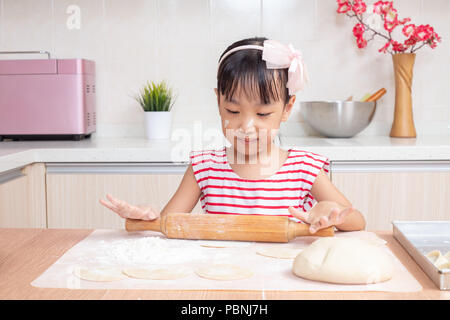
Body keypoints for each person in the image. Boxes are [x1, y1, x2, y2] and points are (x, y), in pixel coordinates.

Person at [100, 36, 366, 234]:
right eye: (232, 110)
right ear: (218, 102)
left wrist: (326, 214)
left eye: (262, 114)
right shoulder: (204, 168)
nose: (246, 126)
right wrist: (146, 216)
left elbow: (356, 221)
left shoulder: (303, 168)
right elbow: (168, 224)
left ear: (287, 109)